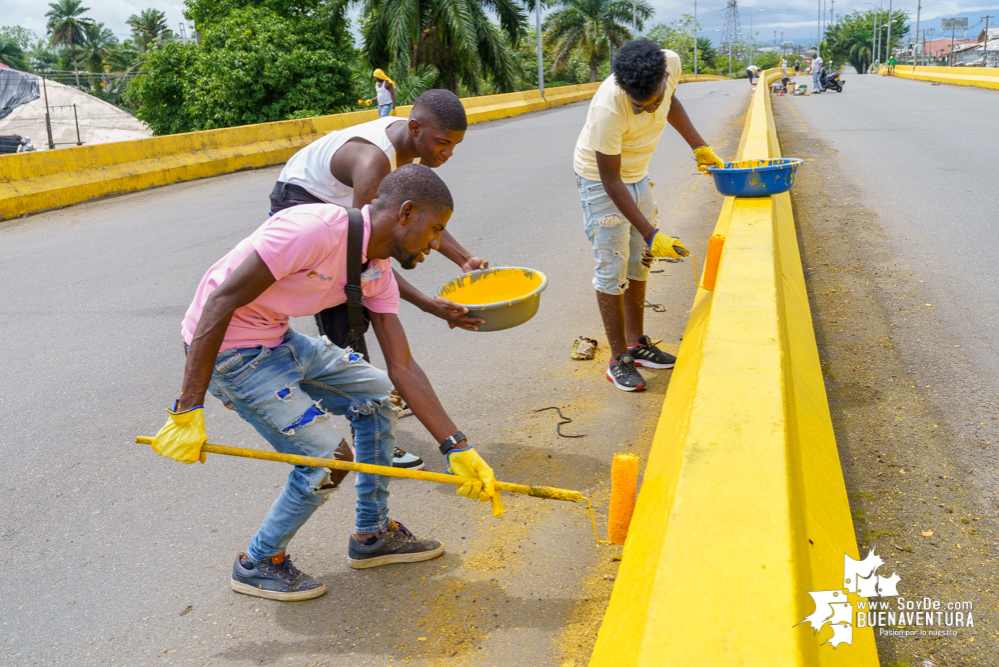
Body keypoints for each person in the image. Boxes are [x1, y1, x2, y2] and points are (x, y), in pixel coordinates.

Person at [150, 164, 498, 602]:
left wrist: (456, 446)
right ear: (406, 213)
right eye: (434, 230)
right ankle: (258, 562)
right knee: (326, 462)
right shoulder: (312, 229)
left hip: (278, 338)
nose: (435, 244)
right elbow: (218, 301)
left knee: (378, 396)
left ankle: (371, 535)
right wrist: (188, 408)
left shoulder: (376, 268)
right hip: (229, 352)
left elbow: (402, 366)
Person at [270, 89, 488, 469]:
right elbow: (372, 248)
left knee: (370, 298)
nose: (447, 153)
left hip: (344, 208)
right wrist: (428, 304)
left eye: (455, 145)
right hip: (303, 198)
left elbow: (420, 215)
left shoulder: (409, 153)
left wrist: (464, 258)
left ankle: (377, 400)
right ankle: (368, 434)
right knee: (348, 306)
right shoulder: (375, 162)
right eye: (442, 142)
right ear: (415, 128)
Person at [572, 40, 724, 392]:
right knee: (612, 268)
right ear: (626, 92)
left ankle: (636, 343)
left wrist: (699, 145)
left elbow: (670, 102)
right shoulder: (608, 108)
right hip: (601, 183)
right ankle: (616, 360)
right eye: (642, 107)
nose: (652, 109)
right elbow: (611, 180)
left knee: (640, 262)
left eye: (655, 100)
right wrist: (653, 232)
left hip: (638, 174)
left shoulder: (669, 63)